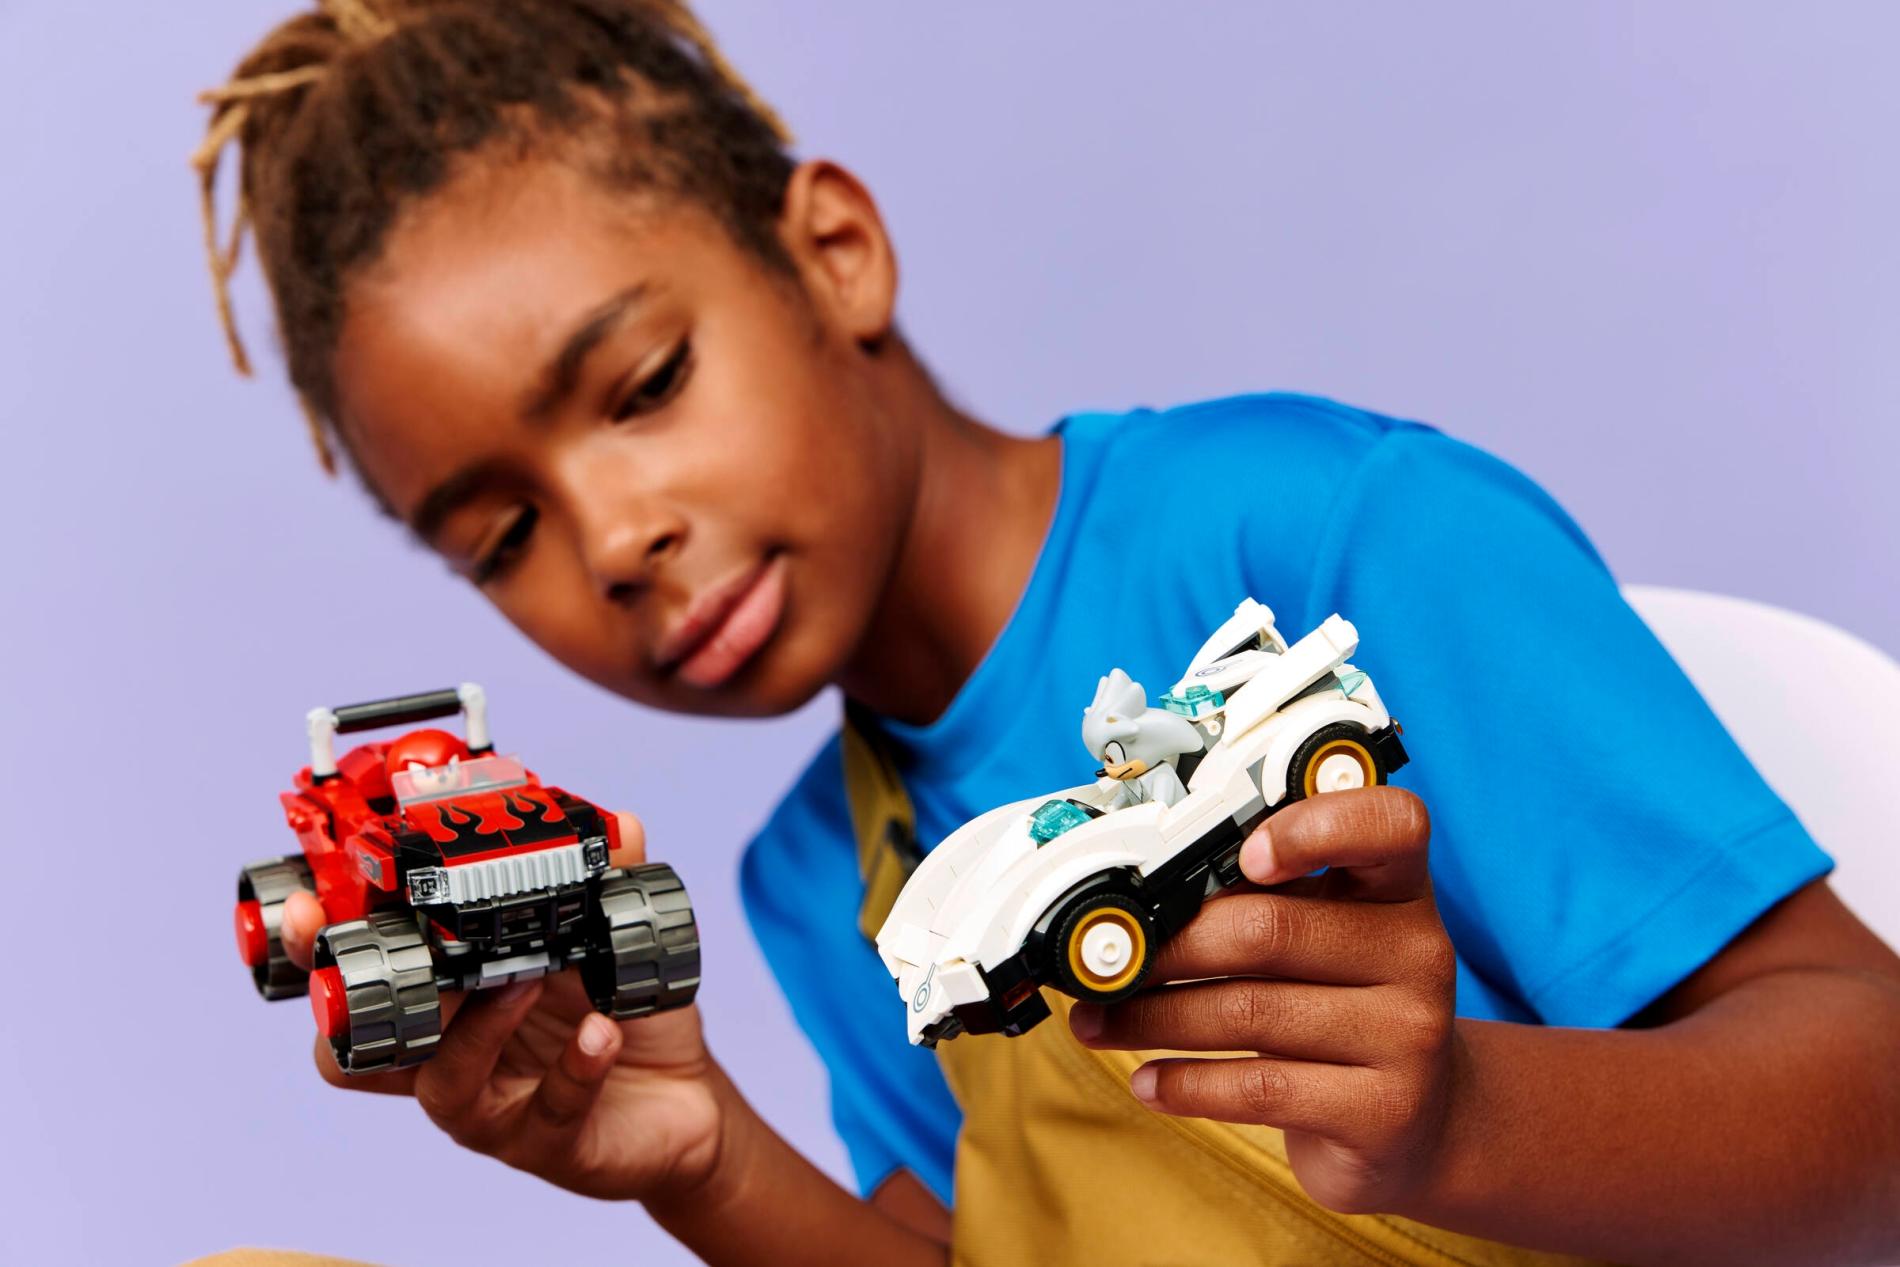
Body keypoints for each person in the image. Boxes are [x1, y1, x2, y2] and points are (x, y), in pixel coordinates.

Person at [190, 3, 1900, 1263]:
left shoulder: (1332, 539)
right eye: (502, 538)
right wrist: (704, 1164)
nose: (615, 541)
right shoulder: (820, 871)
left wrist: (1452, 1115)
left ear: (836, 254)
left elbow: (1876, 1103)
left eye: (645, 386)